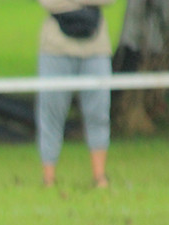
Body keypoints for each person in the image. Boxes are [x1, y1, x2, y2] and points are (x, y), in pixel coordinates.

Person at [36, 0, 115, 188]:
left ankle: (100, 177)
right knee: (51, 111)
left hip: (96, 46)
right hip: (55, 48)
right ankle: (48, 178)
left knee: (98, 112)